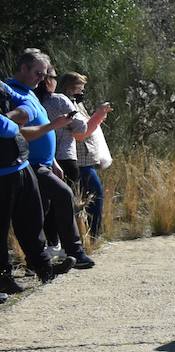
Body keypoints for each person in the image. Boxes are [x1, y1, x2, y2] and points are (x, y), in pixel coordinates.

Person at [6, 50, 94, 269]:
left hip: (43, 164)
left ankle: (40, 262)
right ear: (23, 68)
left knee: (37, 215)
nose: (41, 79)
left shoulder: (30, 92)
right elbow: (18, 131)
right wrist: (55, 125)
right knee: (63, 195)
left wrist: (52, 160)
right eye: (37, 73)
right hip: (28, 166)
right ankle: (74, 252)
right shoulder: (10, 93)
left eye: (45, 75)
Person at [1, 81, 73, 291]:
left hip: (20, 166)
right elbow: (8, 129)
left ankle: (44, 268)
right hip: (2, 176)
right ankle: (3, 278)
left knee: (32, 220)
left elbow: (27, 105)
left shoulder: (2, 86)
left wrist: (15, 116)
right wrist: (17, 121)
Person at [61, 72, 114, 239]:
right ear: (69, 88)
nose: (82, 92)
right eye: (79, 88)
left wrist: (99, 116)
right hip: (79, 161)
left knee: (88, 199)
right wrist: (98, 115)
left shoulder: (78, 104)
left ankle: (90, 235)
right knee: (94, 197)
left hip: (86, 159)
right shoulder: (67, 105)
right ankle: (93, 236)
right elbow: (80, 134)